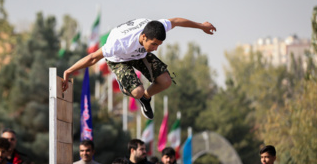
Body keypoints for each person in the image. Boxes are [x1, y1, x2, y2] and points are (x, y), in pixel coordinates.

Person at [62, 18, 216, 120]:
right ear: (143, 37)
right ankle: (128, 87)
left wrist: (201, 26)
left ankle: (146, 98)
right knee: (137, 91)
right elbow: (92, 58)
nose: (155, 49)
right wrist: (69, 71)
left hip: (139, 54)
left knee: (166, 82)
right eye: (154, 44)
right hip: (119, 60)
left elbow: (176, 21)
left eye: (158, 45)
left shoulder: (157, 27)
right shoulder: (118, 43)